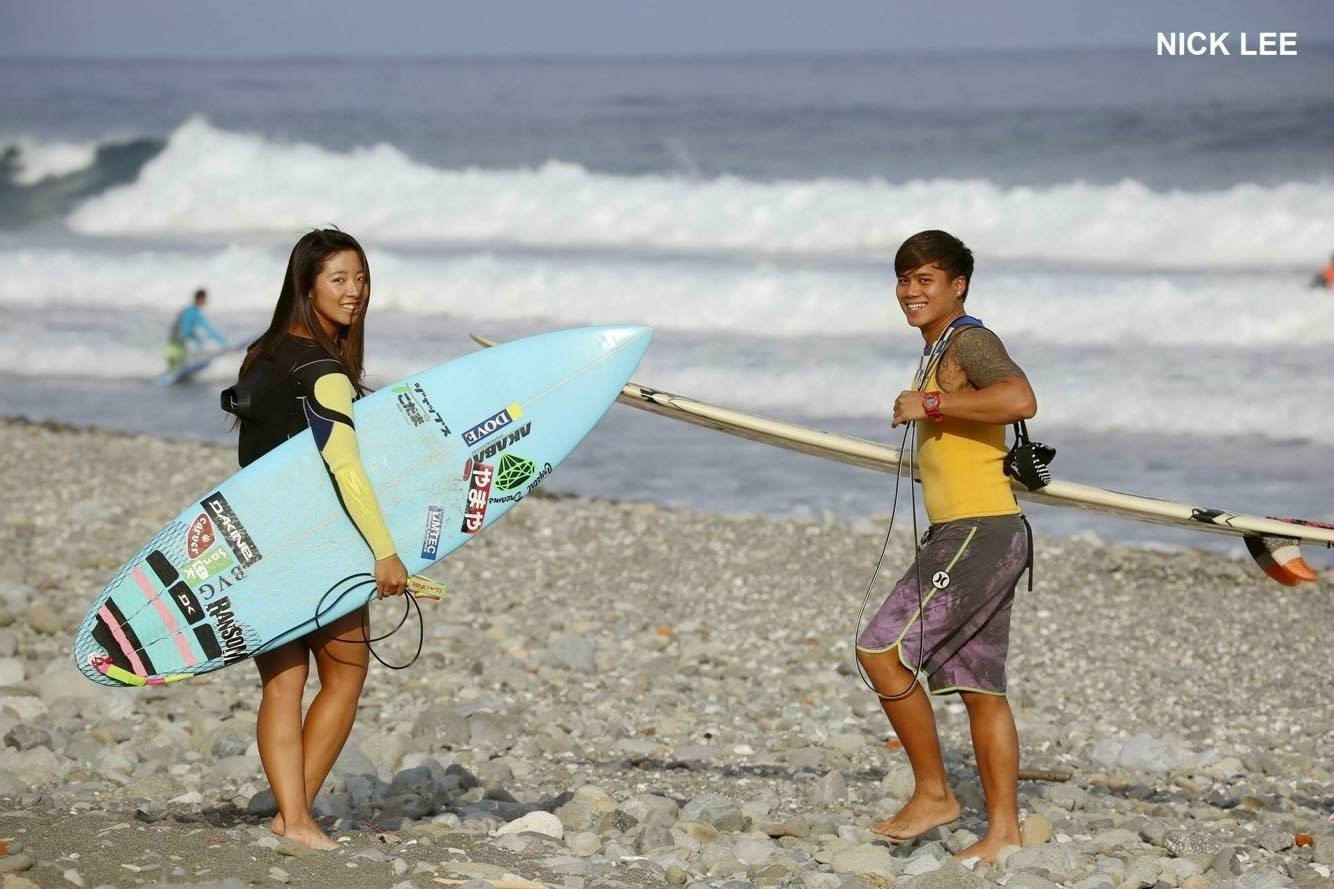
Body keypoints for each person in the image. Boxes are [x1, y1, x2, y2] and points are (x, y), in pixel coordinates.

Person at [855, 230, 1036, 863]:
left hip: (977, 533)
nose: (910, 291)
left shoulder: (969, 341)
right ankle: (1004, 835)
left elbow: (1020, 398)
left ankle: (934, 793)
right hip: (984, 533)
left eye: (925, 279)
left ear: (957, 285)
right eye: (904, 280)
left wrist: (929, 401)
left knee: (879, 648)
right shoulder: (937, 349)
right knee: (982, 688)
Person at [228, 229, 407, 850]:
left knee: (282, 682)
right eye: (339, 279)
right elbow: (345, 468)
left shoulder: (265, 354)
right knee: (345, 676)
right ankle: (296, 819)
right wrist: (384, 551)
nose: (354, 291)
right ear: (307, 286)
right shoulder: (325, 372)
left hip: (257, 540)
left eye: (360, 278)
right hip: (317, 543)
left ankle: (291, 814)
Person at [166, 288, 227, 372]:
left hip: (172, 345)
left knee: (173, 369)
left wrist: (199, 342)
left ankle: (175, 369)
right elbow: (208, 329)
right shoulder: (193, 313)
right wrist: (224, 344)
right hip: (177, 346)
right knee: (175, 369)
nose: (206, 302)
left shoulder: (188, 310)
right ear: (200, 299)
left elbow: (187, 331)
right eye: (205, 299)